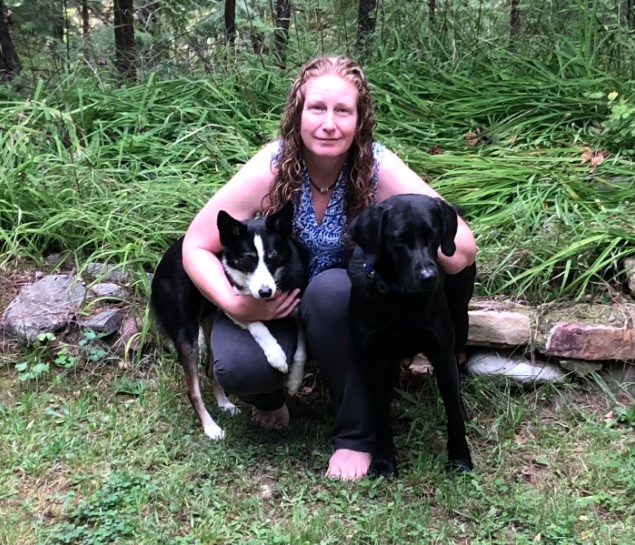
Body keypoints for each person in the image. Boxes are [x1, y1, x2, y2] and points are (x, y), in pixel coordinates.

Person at [181, 55, 477, 481]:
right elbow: (196, 244)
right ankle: (270, 399)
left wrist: (427, 248)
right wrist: (235, 303)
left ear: (360, 119)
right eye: (317, 108)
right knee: (238, 367)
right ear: (297, 113)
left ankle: (355, 436)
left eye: (343, 111)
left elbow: (463, 245)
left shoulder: (375, 166)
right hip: (275, 299)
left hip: (341, 305)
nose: (329, 123)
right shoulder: (272, 166)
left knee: (333, 290)